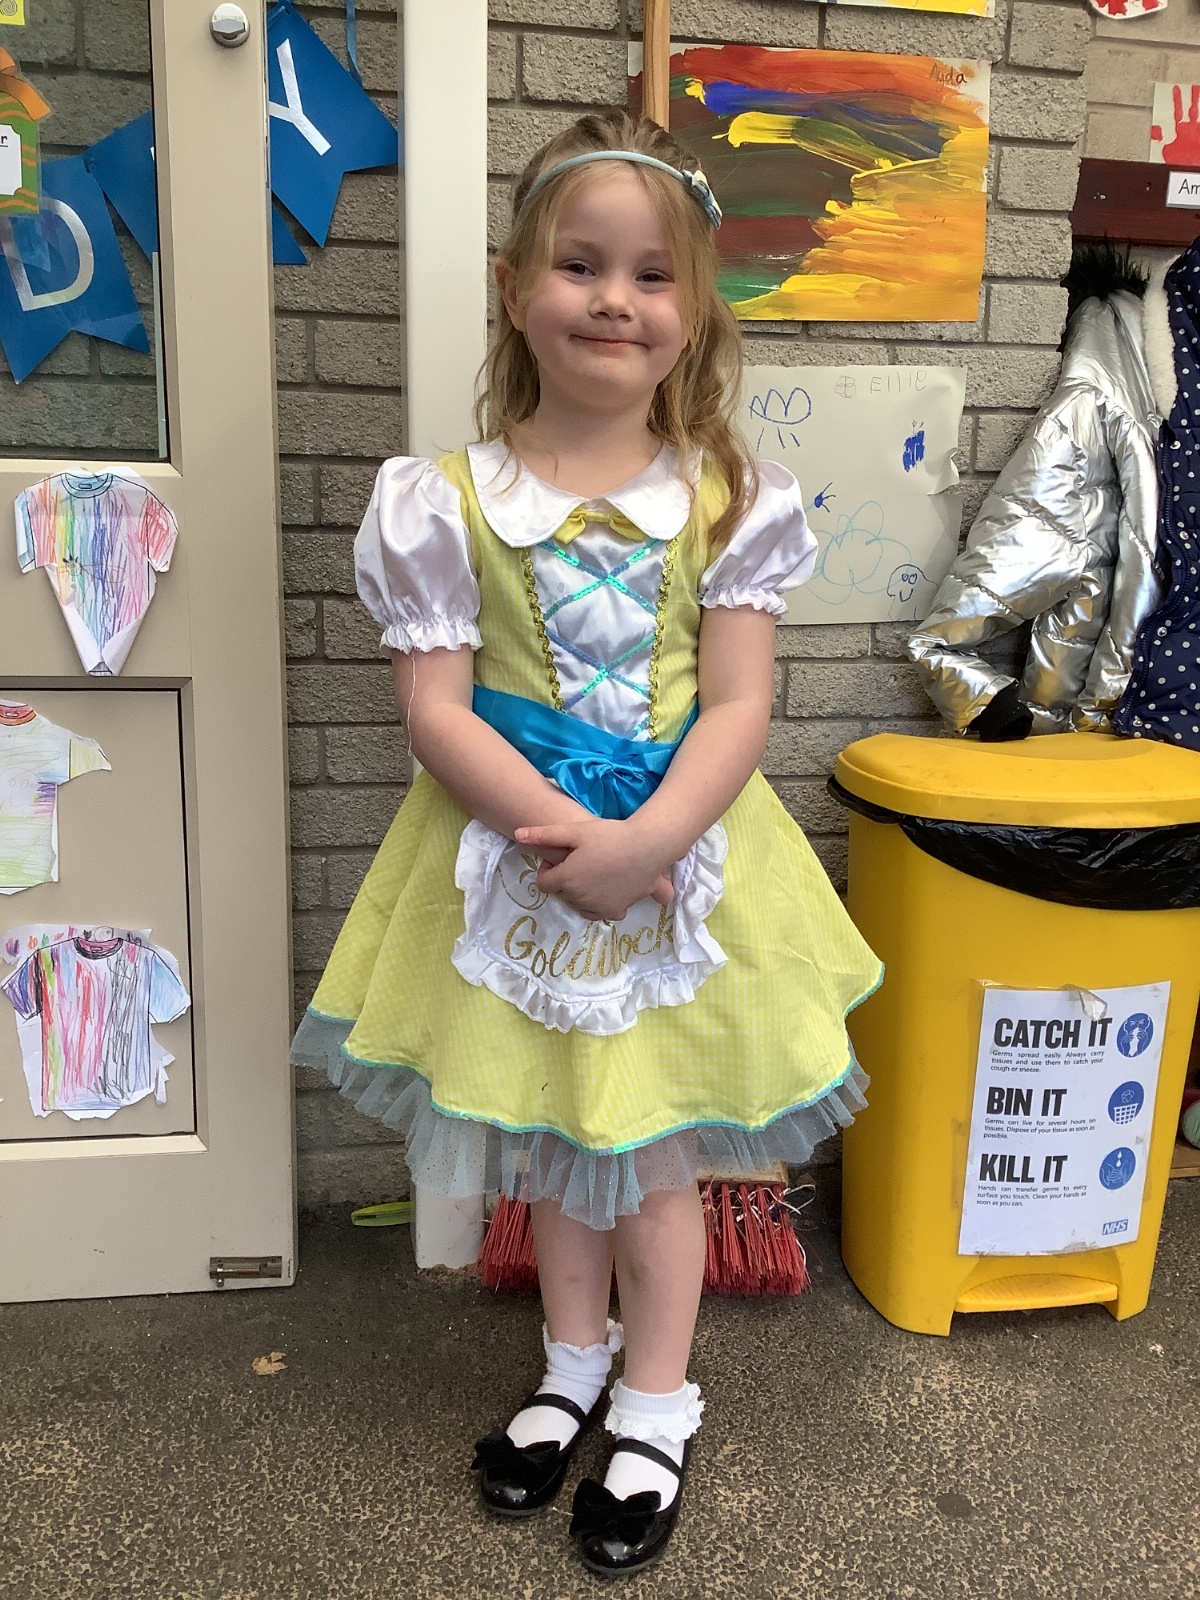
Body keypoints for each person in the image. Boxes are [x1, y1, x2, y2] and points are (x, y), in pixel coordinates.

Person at [291, 109, 882, 1576]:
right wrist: (569, 842)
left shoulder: (732, 502)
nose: (615, 299)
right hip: (515, 864)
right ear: (514, 288)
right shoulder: (440, 504)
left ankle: (656, 1405)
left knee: (654, 1158)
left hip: (686, 871)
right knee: (558, 1149)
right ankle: (572, 1369)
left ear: (694, 311)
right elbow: (435, 709)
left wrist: (648, 840)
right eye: (579, 265)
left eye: (651, 275)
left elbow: (739, 703)